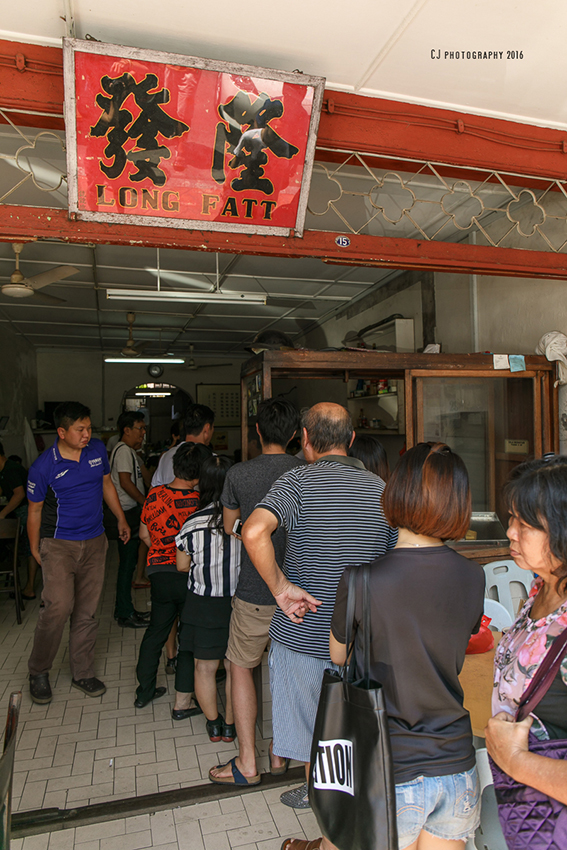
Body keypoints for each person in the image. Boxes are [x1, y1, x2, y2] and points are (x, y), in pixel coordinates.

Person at [282, 442, 485, 850]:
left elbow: (338, 656)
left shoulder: (361, 580)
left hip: (388, 766)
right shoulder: (473, 576)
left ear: (395, 493)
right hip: (456, 764)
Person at [242, 402, 397, 808]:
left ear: (305, 440)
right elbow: (400, 564)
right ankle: (357, 805)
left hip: (303, 635)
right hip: (363, 640)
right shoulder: (384, 492)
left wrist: (280, 588)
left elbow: (253, 530)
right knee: (360, 729)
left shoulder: (297, 483)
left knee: (316, 732)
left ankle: (325, 810)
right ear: (351, 441)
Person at [209, 397, 302, 786]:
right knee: (286, 669)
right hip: (298, 593)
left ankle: (248, 763)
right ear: (296, 434)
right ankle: (280, 754)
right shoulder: (306, 471)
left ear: (258, 432)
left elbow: (231, 526)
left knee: (241, 667)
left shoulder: (239, 474)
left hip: (254, 590)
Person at [26, 402, 130, 704]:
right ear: (62, 432)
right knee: (57, 607)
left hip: (95, 541)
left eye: (89, 428)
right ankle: (39, 670)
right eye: (80, 429)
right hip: (59, 545)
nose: (87, 434)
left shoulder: (97, 450)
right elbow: (33, 510)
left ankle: (82, 671)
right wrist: (34, 547)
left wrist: (120, 518)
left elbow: (107, 484)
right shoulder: (44, 466)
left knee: (87, 610)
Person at [486, 455, 567, 807]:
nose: (510, 532)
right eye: (511, 519)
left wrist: (515, 760)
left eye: (525, 524)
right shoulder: (541, 588)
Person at [135, 442, 211, 711]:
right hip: (189, 577)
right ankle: (184, 699)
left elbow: (144, 535)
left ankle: (144, 691)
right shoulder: (200, 503)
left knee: (156, 630)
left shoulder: (154, 496)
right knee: (187, 636)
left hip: (158, 574)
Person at [176, 455, 241, 743]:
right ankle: (230, 726)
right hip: (237, 604)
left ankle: (213, 724)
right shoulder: (243, 521)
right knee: (234, 667)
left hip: (202, 604)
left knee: (204, 667)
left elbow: (181, 566)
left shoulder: (192, 523)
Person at [110, 411, 152, 628]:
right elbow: (125, 482)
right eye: (140, 428)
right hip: (126, 513)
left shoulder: (127, 451)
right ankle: (125, 613)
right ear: (126, 430)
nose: (143, 433)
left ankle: (125, 609)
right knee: (127, 565)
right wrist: (145, 502)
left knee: (128, 563)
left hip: (128, 511)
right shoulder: (124, 451)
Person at [0, 443, 39, 599]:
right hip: (22, 512)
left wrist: (3, 513)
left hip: (27, 512)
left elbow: (19, 494)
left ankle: (29, 588)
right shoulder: (4, 470)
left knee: (30, 549)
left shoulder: (11, 469)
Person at [151, 405, 214, 487]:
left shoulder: (166, 456)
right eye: (213, 427)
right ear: (207, 428)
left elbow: (153, 489)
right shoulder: (211, 460)